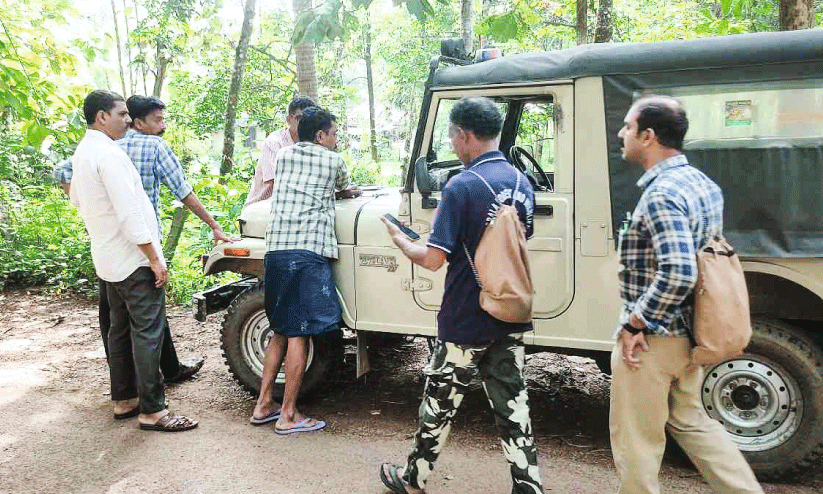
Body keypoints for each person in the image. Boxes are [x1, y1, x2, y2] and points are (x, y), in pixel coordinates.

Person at [378, 97, 544, 494]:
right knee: (513, 406)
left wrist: (401, 239)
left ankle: (413, 478)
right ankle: (528, 486)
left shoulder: (462, 185)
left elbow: (434, 260)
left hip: (465, 318)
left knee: (439, 403)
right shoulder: (522, 182)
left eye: (452, 136)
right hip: (509, 312)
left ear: (465, 135)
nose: (452, 144)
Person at [610, 95, 763, 493]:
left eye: (628, 127)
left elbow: (678, 271)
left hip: (652, 341)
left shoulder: (662, 194)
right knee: (692, 422)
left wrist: (635, 321)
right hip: (690, 334)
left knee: (638, 443)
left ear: (648, 136)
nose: (621, 134)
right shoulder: (703, 184)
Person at [54, 95, 230, 384]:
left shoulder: (100, 146)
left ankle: (130, 383)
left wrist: (88, 210)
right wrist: (213, 224)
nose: (162, 126)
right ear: (137, 121)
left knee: (116, 320)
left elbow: (63, 171)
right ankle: (153, 394)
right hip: (142, 244)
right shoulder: (152, 146)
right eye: (157, 120)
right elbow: (182, 191)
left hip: (110, 244)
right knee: (148, 319)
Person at [69, 89, 197, 431]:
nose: (128, 120)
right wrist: (154, 258)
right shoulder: (109, 155)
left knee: (119, 331)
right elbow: (130, 213)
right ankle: (153, 410)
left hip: (108, 257)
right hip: (132, 258)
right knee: (148, 332)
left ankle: (124, 399)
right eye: (122, 114)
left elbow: (77, 200)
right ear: (101, 117)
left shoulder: (84, 152)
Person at [250, 106, 361, 433]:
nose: (336, 139)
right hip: (307, 251)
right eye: (334, 134)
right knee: (300, 332)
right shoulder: (334, 161)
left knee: (281, 330)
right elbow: (342, 187)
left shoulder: (283, 155)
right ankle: (288, 415)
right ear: (320, 136)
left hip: (277, 252)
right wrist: (347, 191)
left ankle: (263, 405)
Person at [245, 95, 316, 206]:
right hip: (262, 207)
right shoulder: (274, 142)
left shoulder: (315, 142)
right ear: (288, 119)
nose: (303, 123)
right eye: (299, 118)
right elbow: (273, 184)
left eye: (308, 120)